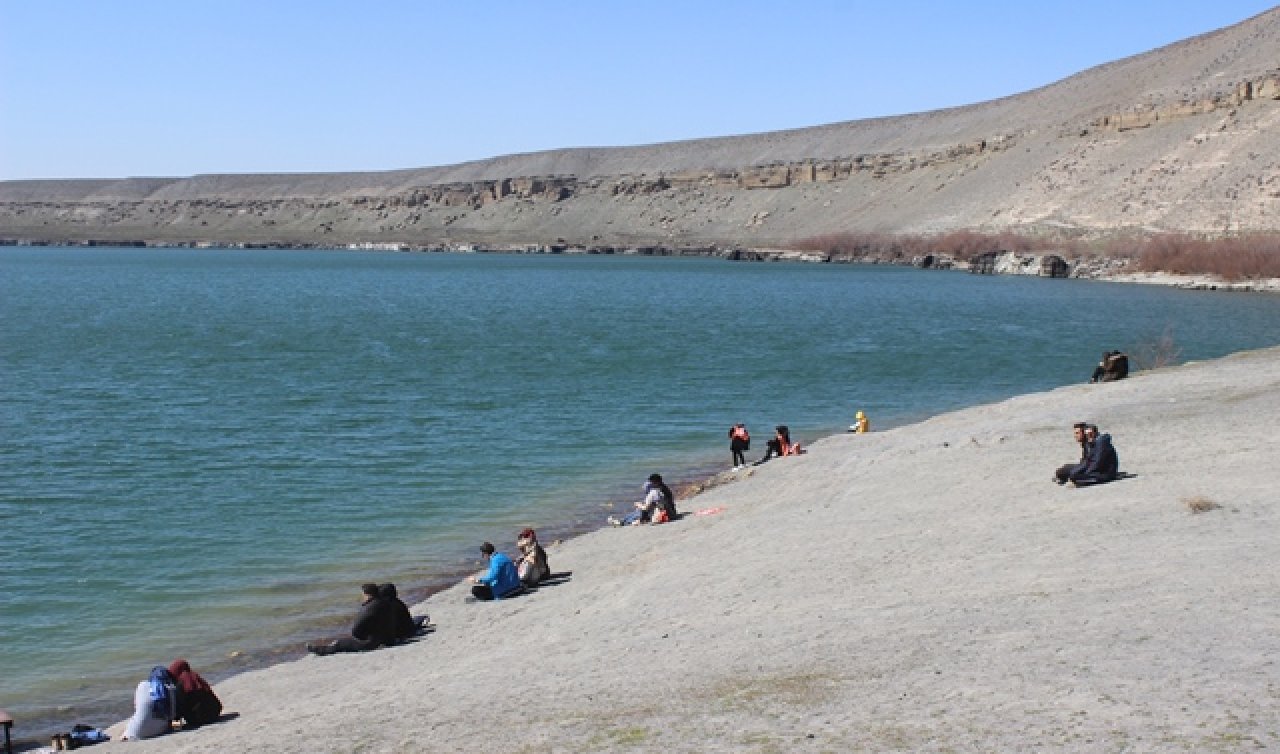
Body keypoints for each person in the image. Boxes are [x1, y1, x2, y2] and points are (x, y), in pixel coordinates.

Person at [306, 583, 396, 655]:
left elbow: (356, 631)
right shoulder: (386, 604)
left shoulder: (369, 608)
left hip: (372, 644)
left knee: (340, 643)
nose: (362, 597)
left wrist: (361, 637)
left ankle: (319, 650)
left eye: (363, 595)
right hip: (388, 639)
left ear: (367, 595)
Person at [122, 666, 177, 740]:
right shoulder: (171, 689)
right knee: (175, 723)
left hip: (134, 732)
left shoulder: (142, 685)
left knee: (133, 722)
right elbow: (172, 716)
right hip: (160, 731)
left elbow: (136, 707)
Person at [167, 659, 222, 729]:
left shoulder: (181, 684)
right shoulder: (196, 677)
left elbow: (180, 707)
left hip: (199, 718)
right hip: (215, 712)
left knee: (176, 711)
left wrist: (174, 724)